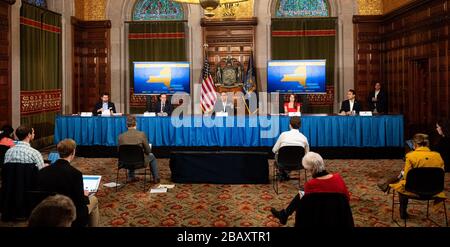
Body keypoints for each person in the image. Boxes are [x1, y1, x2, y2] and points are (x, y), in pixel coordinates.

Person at [270, 152, 350, 225]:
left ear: (310, 169)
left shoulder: (310, 185)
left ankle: (285, 214)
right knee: (302, 191)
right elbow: (347, 199)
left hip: (319, 216)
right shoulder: (338, 178)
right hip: (340, 216)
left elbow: (303, 208)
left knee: (302, 192)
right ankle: (284, 214)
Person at [37, 139, 100, 227]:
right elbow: (80, 202)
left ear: (58, 152)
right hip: (70, 214)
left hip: (48, 212)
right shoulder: (75, 174)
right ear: (73, 152)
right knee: (94, 199)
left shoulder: (43, 171)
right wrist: (84, 195)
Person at [388, 134, 445, 219]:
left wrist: (403, 174)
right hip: (434, 189)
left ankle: (403, 212)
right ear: (427, 144)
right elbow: (441, 174)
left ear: (414, 144)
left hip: (414, 189)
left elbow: (406, 177)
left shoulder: (410, 156)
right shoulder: (438, 156)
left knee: (401, 184)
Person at [118, 116, 160, 184]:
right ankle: (156, 178)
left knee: (130, 154)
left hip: (124, 163)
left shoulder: (120, 136)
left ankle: (130, 177)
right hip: (140, 163)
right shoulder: (141, 134)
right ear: (136, 124)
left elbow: (119, 152)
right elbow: (148, 151)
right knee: (152, 156)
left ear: (126, 125)